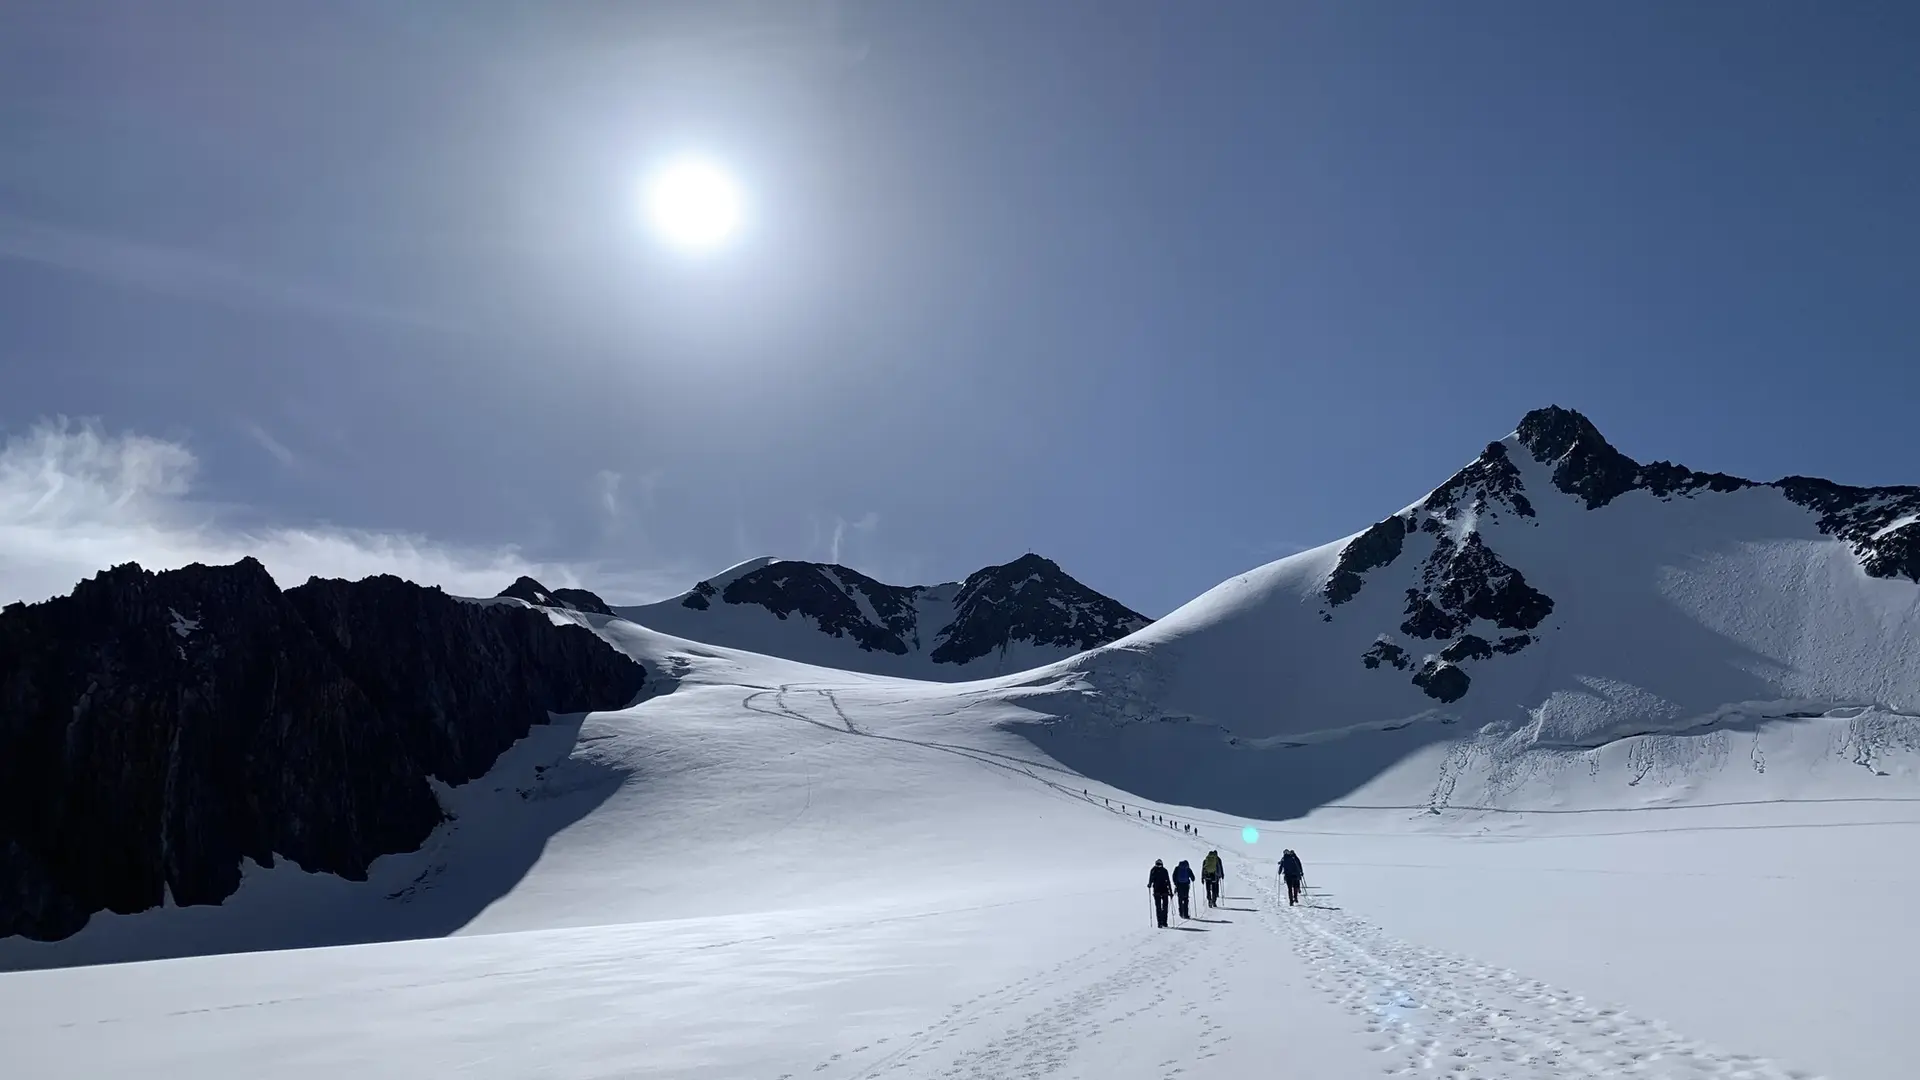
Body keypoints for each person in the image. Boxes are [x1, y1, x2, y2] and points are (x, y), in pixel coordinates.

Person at [1148, 859, 1173, 927]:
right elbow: (1168, 881)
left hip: (1157, 891)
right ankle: (1164, 922)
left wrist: (1149, 885)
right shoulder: (1164, 870)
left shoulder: (1153, 870)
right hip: (1165, 891)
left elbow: (1151, 880)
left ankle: (1159, 922)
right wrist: (1170, 892)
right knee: (1165, 907)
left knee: (1158, 907)